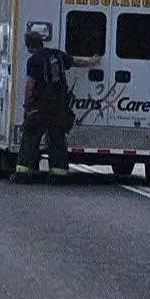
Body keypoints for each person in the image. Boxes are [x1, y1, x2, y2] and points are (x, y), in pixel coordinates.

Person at [15, 26, 101, 182]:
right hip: (59, 107)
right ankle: (59, 174)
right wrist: (94, 61)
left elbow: (30, 84)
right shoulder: (57, 55)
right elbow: (77, 61)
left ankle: (23, 173)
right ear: (41, 42)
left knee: (30, 138)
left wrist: (27, 104)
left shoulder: (34, 60)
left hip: (40, 107)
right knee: (57, 140)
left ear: (29, 47)